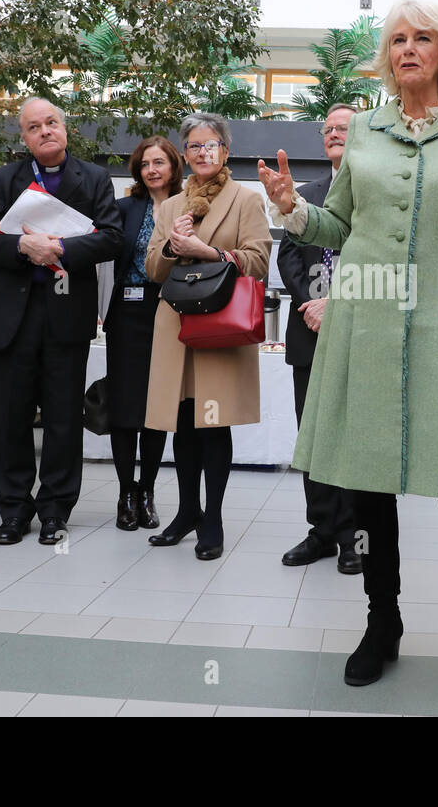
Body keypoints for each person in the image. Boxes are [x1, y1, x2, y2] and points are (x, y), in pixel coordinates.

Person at [260, 0, 438, 714]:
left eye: (422, 38)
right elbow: (338, 221)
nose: (408, 48)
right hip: (367, 319)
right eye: (397, 39)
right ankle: (383, 623)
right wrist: (289, 207)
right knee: (368, 487)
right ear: (387, 57)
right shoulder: (365, 129)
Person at [0, 97, 123, 545]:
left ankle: (56, 509)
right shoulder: (3, 180)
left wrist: (61, 250)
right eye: (34, 126)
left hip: (67, 314)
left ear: (65, 127)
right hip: (12, 317)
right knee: (9, 418)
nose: (44, 131)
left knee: (62, 418)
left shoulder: (94, 178)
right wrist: (23, 247)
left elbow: (112, 237)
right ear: (24, 136)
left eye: (51, 122)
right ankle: (14, 509)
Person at [144, 113, 271, 561]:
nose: (202, 153)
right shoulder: (169, 207)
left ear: (225, 150)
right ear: (185, 154)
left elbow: (257, 263)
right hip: (176, 322)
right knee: (181, 423)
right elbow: (153, 272)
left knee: (213, 424)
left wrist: (211, 252)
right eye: (194, 146)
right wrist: (170, 246)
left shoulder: (246, 200)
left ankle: (212, 518)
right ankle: (186, 512)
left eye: (210, 144)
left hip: (219, 324)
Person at [278, 103, 361, 575]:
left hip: (356, 330)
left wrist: (340, 304)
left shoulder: (371, 195)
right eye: (328, 128)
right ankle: (322, 531)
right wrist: (312, 301)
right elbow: (288, 255)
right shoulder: (302, 196)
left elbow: (378, 259)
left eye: (343, 128)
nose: (333, 133)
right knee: (311, 433)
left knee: (350, 435)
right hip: (308, 328)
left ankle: (354, 535)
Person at [105, 136, 182, 532]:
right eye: (145, 164)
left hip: (170, 313)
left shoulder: (189, 206)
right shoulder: (124, 208)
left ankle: (147, 491)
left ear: (173, 167)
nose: (152, 170)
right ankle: (125, 493)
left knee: (156, 407)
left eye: (160, 162)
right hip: (127, 313)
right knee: (124, 407)